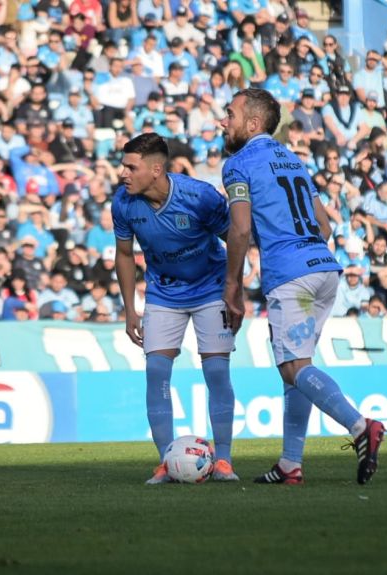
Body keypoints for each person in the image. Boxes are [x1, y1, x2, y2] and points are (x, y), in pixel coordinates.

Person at [220, 88, 386, 485]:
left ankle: (360, 426)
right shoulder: (292, 160)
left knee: (292, 366)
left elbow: (240, 228)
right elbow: (325, 226)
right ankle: (290, 463)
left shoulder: (238, 164)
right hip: (324, 268)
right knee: (297, 368)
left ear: (253, 123)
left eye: (230, 114)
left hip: (289, 274)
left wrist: (233, 286)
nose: (223, 121)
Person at [112, 133, 238, 484]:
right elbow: (124, 255)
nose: (123, 174)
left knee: (215, 372)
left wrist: (234, 289)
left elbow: (237, 240)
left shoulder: (199, 196)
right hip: (163, 293)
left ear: (156, 169)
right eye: (123, 166)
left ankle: (224, 461)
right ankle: (167, 461)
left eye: (130, 167)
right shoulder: (123, 203)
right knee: (155, 371)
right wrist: (130, 309)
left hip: (211, 288)